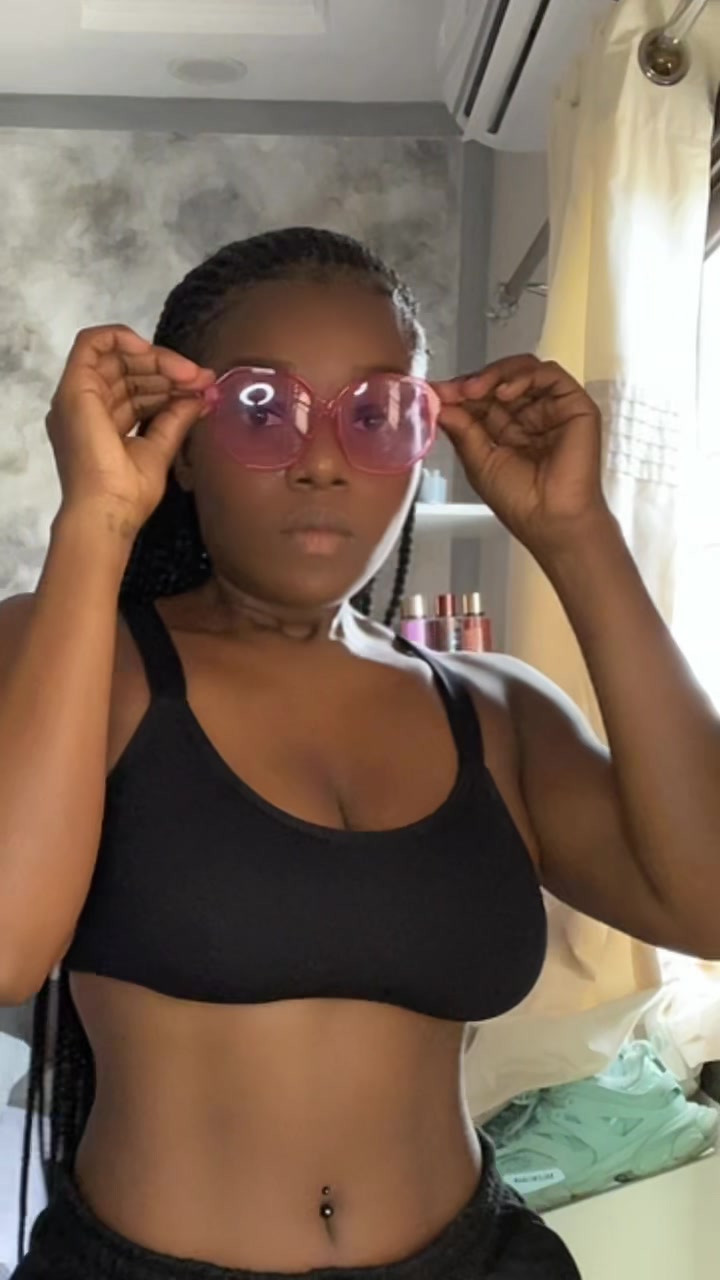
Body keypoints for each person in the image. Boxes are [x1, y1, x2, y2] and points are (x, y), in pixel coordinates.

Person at [1, 227, 718, 1280]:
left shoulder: (497, 710)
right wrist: (98, 517)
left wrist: (578, 533)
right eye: (263, 408)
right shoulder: (76, 653)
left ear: (423, 442)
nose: (325, 460)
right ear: (183, 444)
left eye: (378, 414)